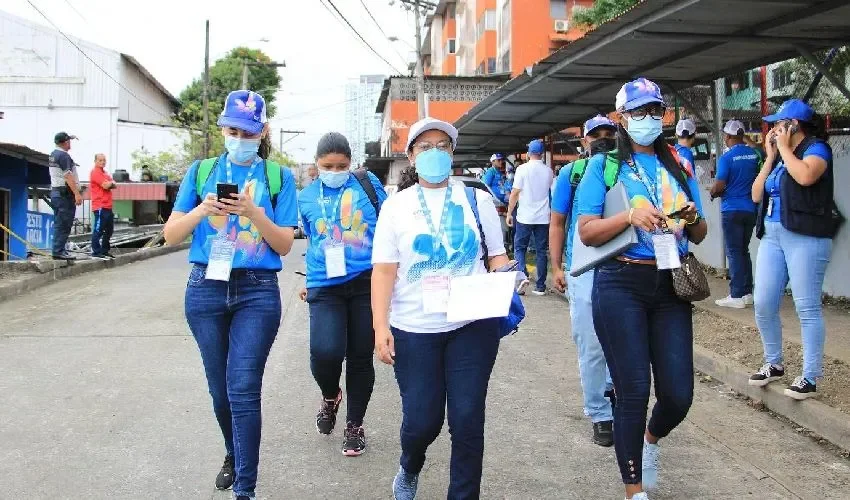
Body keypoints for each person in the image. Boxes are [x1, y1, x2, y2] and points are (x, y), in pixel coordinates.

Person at [575, 78, 707, 500]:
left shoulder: (679, 165)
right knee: (633, 389)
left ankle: (651, 438)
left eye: (655, 111)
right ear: (621, 119)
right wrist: (629, 216)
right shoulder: (604, 165)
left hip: (671, 281)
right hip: (620, 282)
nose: (649, 119)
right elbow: (587, 231)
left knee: (678, 395)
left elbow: (700, 232)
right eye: (638, 112)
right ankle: (635, 491)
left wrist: (689, 215)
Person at [163, 90, 298, 500]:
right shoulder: (201, 171)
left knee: (242, 388)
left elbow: (284, 244)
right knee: (220, 391)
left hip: (256, 292)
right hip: (205, 288)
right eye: (233, 129)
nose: (239, 137)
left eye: (248, 131)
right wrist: (202, 210)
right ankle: (233, 451)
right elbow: (170, 235)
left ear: (262, 132)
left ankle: (246, 489)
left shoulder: (279, 178)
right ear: (222, 128)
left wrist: (254, 212)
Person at [371, 117, 509, 500]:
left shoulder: (476, 200)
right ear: (412, 156)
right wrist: (381, 326)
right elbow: (383, 272)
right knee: (422, 423)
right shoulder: (395, 207)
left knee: (467, 421)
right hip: (414, 329)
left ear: (452, 154)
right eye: (425, 146)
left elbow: (496, 256)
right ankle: (410, 465)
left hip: (472, 325)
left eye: (442, 146)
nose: (435, 153)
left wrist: (511, 277)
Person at [297, 132, 387, 456]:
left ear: (351, 163)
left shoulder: (368, 185)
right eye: (327, 165)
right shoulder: (306, 197)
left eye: (341, 165)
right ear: (317, 164)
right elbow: (312, 239)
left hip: (366, 280)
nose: (334, 170)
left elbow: (388, 228)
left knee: (361, 357)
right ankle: (330, 394)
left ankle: (355, 425)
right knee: (325, 351)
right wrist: (309, 280)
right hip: (325, 283)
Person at [749, 99, 838, 400]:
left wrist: (785, 150)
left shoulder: (816, 149)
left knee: (807, 306)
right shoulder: (779, 157)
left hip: (806, 236)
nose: (772, 129)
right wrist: (770, 157)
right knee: (763, 302)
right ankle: (773, 362)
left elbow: (806, 176)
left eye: (777, 124)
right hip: (772, 236)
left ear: (793, 125)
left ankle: (810, 377)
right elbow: (756, 193)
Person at [550, 115, 617, 447]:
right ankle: (600, 414)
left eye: (609, 134)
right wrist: (557, 266)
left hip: (623, 266)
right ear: (585, 141)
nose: (603, 139)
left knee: (620, 342)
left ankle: (611, 392)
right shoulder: (570, 174)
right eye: (596, 135)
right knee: (591, 344)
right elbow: (557, 222)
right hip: (583, 268)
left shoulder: (627, 169)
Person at [710, 120, 760, 309]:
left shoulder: (727, 158)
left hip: (732, 209)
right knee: (743, 250)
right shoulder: (754, 154)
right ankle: (747, 293)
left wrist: (713, 192)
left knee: (734, 252)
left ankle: (737, 294)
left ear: (728, 137)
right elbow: (760, 149)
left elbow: (720, 184)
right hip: (750, 209)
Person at [507, 139, 554, 296]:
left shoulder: (522, 169)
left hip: (524, 217)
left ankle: (522, 277)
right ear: (541, 154)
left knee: (520, 248)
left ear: (528, 153)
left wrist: (509, 213)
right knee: (541, 251)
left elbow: (514, 192)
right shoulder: (548, 171)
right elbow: (552, 193)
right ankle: (540, 286)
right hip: (543, 217)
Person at [49, 132, 82, 261]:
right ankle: (58, 251)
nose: (70, 143)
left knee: (60, 222)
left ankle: (60, 249)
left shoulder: (54, 154)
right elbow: (68, 176)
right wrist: (77, 193)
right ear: (65, 142)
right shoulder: (63, 156)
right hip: (64, 195)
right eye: (69, 140)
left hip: (57, 193)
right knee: (64, 223)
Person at [89, 154, 117, 259]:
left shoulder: (105, 173)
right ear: (95, 161)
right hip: (100, 206)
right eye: (100, 160)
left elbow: (114, 184)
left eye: (104, 160)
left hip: (108, 206)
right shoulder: (95, 172)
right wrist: (111, 183)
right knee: (98, 229)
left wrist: (111, 183)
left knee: (109, 230)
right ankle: (96, 251)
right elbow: (107, 185)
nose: (102, 162)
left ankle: (105, 250)